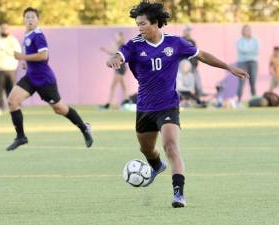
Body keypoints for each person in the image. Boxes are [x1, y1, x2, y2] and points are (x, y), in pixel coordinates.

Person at [107, 0, 248, 208]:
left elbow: (202, 55)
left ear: (155, 23)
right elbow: (120, 54)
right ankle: (156, 165)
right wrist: (115, 58)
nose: (139, 28)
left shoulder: (175, 43)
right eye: (137, 24)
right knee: (147, 150)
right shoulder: (134, 45)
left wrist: (228, 67)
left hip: (168, 105)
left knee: (171, 145)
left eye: (143, 23)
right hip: (144, 108)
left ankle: (178, 193)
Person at [6, 7, 93, 151]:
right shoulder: (27, 35)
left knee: (60, 109)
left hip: (44, 80)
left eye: (32, 17)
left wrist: (22, 57)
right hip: (30, 77)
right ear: (23, 20)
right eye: (27, 17)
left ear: (38, 20)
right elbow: (29, 54)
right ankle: (21, 137)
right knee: (12, 101)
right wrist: (24, 62)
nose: (29, 20)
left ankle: (84, 128)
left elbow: (43, 55)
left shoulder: (38, 35)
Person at [0, 23, 21, 115]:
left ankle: (12, 107)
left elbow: (17, 52)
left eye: (6, 28)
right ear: (0, 29)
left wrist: (4, 50)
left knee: (11, 89)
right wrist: (7, 51)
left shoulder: (13, 40)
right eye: (2, 28)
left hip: (11, 68)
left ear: (9, 29)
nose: (4, 30)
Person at [100, 32, 129, 109]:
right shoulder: (119, 44)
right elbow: (113, 53)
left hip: (120, 67)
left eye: (117, 36)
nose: (116, 38)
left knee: (113, 86)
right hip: (120, 67)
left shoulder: (122, 45)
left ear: (121, 37)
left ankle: (108, 104)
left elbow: (115, 53)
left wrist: (113, 46)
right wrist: (105, 50)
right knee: (123, 85)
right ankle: (127, 100)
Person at [236, 24, 259, 106]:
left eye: (248, 29)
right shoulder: (239, 40)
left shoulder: (255, 40)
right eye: (245, 30)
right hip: (242, 62)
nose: (247, 31)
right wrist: (250, 51)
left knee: (253, 82)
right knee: (241, 81)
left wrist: (248, 51)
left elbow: (256, 50)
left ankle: (255, 101)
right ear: (242, 31)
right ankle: (238, 101)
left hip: (253, 62)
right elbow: (241, 50)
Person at [182, 25, 204, 98]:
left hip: (193, 66)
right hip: (185, 67)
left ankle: (198, 99)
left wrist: (196, 62)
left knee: (197, 83)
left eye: (189, 31)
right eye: (187, 30)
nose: (189, 32)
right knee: (186, 84)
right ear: (184, 31)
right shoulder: (181, 40)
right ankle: (186, 100)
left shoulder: (192, 41)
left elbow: (196, 53)